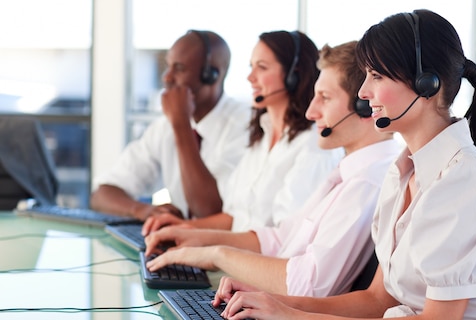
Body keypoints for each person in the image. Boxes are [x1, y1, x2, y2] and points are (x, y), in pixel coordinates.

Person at [215, 9, 476, 320]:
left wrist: (290, 316)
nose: (363, 93)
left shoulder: (463, 180)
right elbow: (378, 300)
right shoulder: (401, 173)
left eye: (376, 76)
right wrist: (275, 302)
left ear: (426, 84)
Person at [143, 41, 400, 297]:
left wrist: (216, 254)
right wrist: (198, 238)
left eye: (324, 97)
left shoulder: (367, 182)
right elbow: (280, 238)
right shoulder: (346, 173)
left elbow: (308, 285)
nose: (312, 112)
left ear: (366, 105)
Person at [142, 30, 343, 233]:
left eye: (262, 68)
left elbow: (284, 240)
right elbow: (234, 219)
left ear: (294, 75)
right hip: (233, 256)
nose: (250, 77)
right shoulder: (260, 138)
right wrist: (182, 228)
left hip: (253, 262)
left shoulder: (312, 146)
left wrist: (210, 248)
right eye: (251, 67)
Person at [90, 30, 250, 221]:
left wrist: (182, 124)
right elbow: (101, 195)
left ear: (211, 74)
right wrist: (142, 210)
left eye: (179, 68)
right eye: (168, 66)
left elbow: (209, 210)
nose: (167, 77)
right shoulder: (164, 127)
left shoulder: (245, 126)